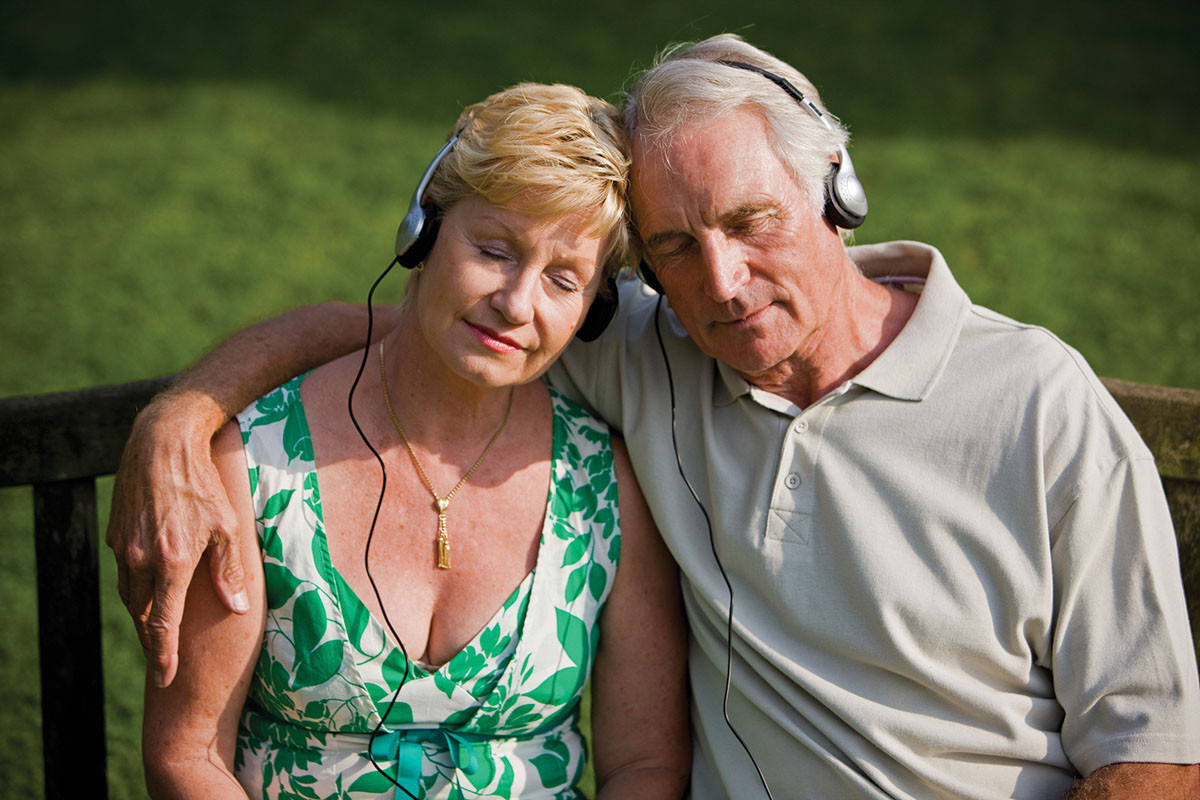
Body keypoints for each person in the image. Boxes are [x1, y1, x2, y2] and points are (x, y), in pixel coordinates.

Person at [110, 36, 1199, 799]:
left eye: (751, 221)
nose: (721, 282)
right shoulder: (645, 351)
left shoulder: (1039, 404)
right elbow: (390, 331)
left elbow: (1155, 755)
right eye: (674, 246)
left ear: (836, 187)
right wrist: (184, 413)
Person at [135, 82, 689, 799]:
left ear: (593, 308)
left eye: (562, 279)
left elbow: (644, 766)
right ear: (422, 231)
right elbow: (188, 757)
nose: (517, 303)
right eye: (494, 250)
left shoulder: (603, 485)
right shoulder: (256, 468)